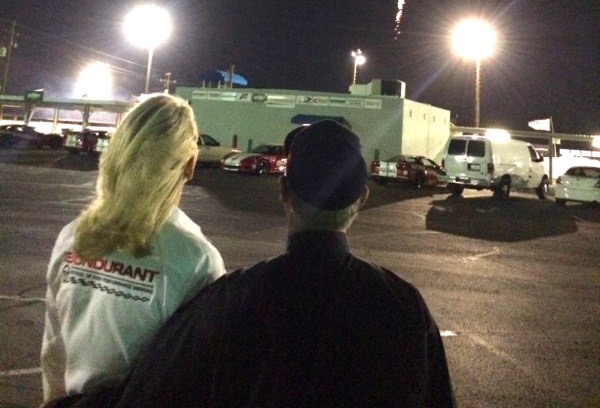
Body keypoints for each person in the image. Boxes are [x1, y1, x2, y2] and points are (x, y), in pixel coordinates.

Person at [43, 119, 455, 408]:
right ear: (361, 199)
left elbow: (154, 391)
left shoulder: (230, 300)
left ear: (283, 192)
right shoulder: (404, 307)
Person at [41, 93, 225, 403]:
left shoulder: (73, 236)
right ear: (190, 165)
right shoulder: (197, 260)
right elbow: (200, 371)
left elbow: (54, 348)